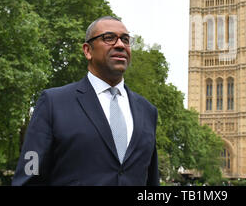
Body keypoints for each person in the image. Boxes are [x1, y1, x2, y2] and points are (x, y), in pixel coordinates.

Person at [12, 16, 159, 186]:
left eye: (125, 40)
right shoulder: (53, 103)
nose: (120, 45)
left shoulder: (147, 111)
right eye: (109, 38)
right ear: (87, 50)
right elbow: (31, 174)